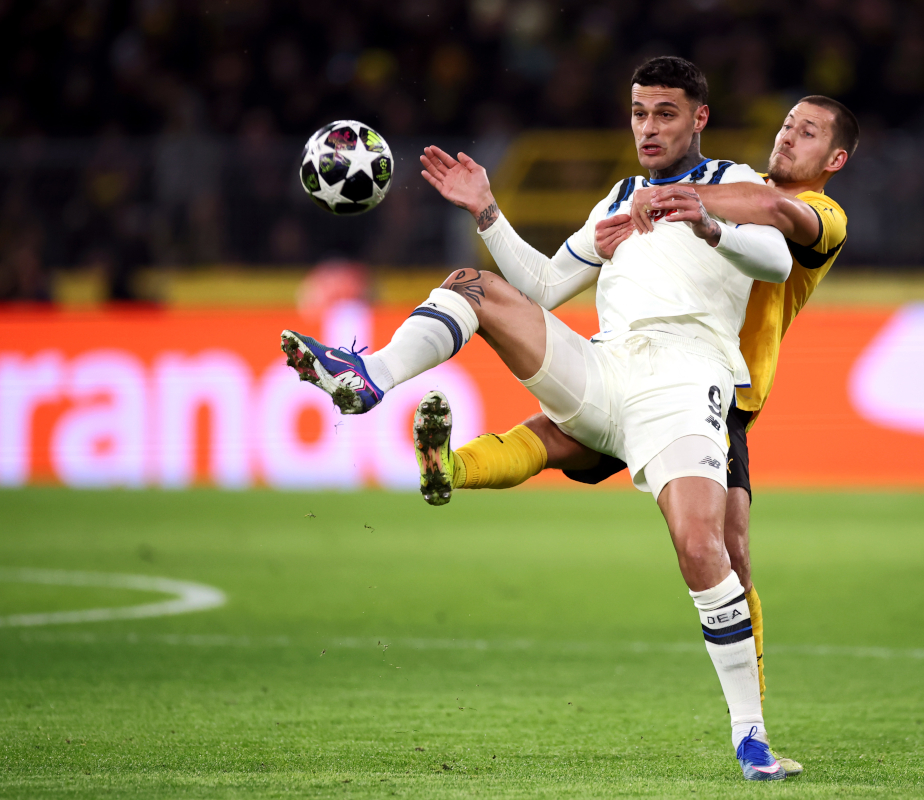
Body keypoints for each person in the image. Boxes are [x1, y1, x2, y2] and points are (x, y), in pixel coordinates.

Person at [281, 56, 795, 780]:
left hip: (684, 379)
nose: (648, 127)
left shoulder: (731, 183)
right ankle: (370, 377)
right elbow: (547, 285)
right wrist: (487, 211)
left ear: (699, 117)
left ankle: (750, 736)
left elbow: (776, 261)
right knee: (474, 285)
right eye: (639, 113)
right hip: (605, 370)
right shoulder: (620, 196)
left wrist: (708, 223)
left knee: (700, 548)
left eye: (665, 113)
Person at [417, 95, 856, 769]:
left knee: (722, 549)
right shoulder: (725, 181)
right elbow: (551, 280)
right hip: (646, 368)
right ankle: (753, 731)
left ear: (835, 159)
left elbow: (773, 212)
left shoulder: (817, 212)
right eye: (788, 124)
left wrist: (678, 195)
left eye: (809, 132)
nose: (789, 136)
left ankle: (754, 721)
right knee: (562, 440)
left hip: (719, 392)